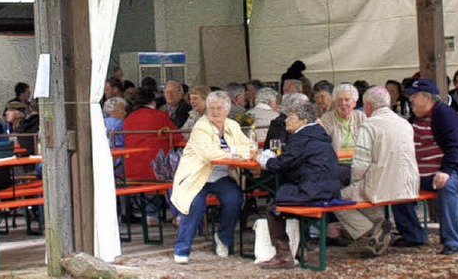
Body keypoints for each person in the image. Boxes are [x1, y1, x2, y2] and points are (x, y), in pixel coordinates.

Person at [392, 78, 458, 255]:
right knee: (396, 186)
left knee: (447, 186)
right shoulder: (415, 117)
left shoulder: (445, 114)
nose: (411, 99)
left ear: (428, 98)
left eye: (414, 96)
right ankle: (413, 235)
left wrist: (445, 171)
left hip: (450, 169)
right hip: (421, 172)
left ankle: (452, 241)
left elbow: (457, 146)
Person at [334, 86, 419, 256]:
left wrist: (354, 180)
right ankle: (380, 225)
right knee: (361, 194)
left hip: (380, 185)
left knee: (337, 200)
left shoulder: (369, 125)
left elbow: (360, 164)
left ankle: (369, 231)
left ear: (368, 106)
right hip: (407, 184)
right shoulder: (405, 123)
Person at [255, 102, 340, 269]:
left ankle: (283, 255)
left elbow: (279, 165)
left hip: (311, 191)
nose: (286, 120)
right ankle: (302, 247)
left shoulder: (301, 138)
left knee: (274, 207)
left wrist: (262, 158)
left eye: (291, 117)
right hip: (330, 190)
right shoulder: (319, 135)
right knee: (287, 198)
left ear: (303, 120)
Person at [171, 91, 249, 264]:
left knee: (235, 199)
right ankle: (182, 249)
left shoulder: (232, 126)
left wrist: (233, 151)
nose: (215, 112)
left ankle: (223, 239)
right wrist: (233, 152)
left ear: (227, 110)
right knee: (195, 204)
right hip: (196, 176)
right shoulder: (201, 127)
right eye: (211, 108)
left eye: (219, 108)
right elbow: (209, 154)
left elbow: (249, 147)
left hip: (221, 177)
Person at [124, 89, 183, 225]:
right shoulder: (159, 115)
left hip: (132, 170)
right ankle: (180, 214)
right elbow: (177, 138)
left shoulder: (128, 119)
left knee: (150, 175)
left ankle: (151, 214)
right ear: (153, 102)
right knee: (177, 174)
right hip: (157, 169)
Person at [320, 83, 366, 186]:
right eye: (339, 100)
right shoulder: (327, 119)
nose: (343, 103)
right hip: (337, 165)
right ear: (334, 102)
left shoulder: (361, 117)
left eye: (347, 100)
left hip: (358, 164)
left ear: (354, 102)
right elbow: (325, 145)